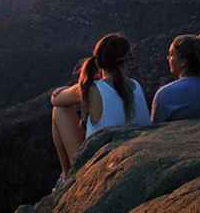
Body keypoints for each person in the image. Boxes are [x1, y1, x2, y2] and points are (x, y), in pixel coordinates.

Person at [50, 33, 150, 190]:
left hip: (100, 167)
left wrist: (67, 89)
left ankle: (66, 176)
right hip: (134, 159)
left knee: (59, 110)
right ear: (127, 61)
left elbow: (55, 100)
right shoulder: (136, 86)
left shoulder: (92, 88)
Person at [151, 34, 200, 123]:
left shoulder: (165, 94)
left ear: (183, 62)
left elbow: (156, 129)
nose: (168, 58)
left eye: (171, 54)